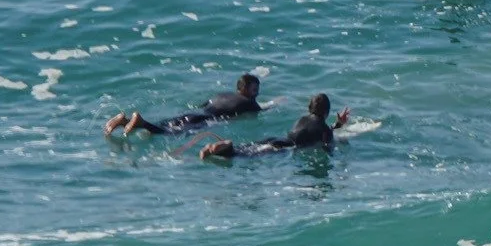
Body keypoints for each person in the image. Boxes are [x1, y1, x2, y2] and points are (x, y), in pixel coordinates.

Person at [106, 72, 263, 138]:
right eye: (254, 90)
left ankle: (124, 121)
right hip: (204, 121)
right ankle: (139, 121)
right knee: (167, 133)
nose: (257, 93)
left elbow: (202, 105)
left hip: (194, 114)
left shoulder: (222, 95)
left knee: (162, 126)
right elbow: (258, 110)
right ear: (244, 89)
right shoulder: (249, 102)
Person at [198, 93, 348, 160]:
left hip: (278, 140)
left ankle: (226, 149)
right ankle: (227, 150)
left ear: (310, 108)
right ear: (327, 112)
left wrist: (338, 125)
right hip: (285, 148)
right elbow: (328, 145)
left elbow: (318, 130)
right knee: (247, 156)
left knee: (246, 149)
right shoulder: (324, 129)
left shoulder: (303, 119)